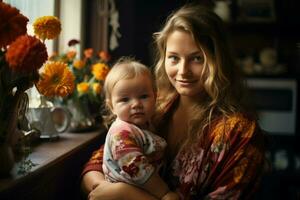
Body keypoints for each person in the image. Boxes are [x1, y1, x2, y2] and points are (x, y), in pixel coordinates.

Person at [81, 4, 266, 200]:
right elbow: (99, 162)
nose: (183, 71)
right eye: (174, 58)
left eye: (197, 58)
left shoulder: (241, 132)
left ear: (218, 60)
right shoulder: (155, 105)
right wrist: (102, 188)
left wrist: (125, 194)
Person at [100, 58, 179, 200]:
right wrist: (164, 193)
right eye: (125, 99)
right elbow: (137, 169)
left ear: (155, 97)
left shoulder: (146, 125)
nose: (136, 104)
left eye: (143, 96)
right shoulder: (121, 133)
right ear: (111, 106)